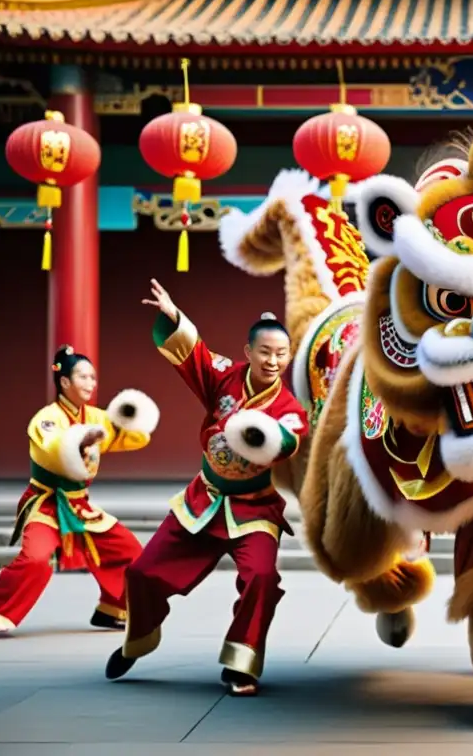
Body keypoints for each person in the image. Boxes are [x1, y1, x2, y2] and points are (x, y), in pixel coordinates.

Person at [104, 279, 308, 697]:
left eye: (281, 354)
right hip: (204, 500)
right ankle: (140, 636)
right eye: (265, 352)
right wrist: (174, 317)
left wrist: (266, 437)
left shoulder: (288, 406)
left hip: (253, 510)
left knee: (262, 578)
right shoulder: (223, 377)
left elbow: (290, 438)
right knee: (142, 573)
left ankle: (242, 663)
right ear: (248, 352)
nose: (273, 361)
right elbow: (192, 354)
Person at [0, 346, 159, 640]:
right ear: (64, 382)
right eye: (83, 377)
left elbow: (133, 436)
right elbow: (54, 449)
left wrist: (128, 418)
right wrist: (80, 440)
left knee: (129, 551)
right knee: (35, 559)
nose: (91, 383)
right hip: (47, 502)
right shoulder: (46, 419)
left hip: (81, 506)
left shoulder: (95, 416)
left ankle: (112, 609)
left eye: (93, 377)